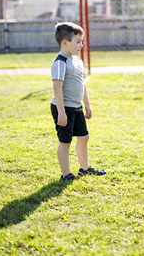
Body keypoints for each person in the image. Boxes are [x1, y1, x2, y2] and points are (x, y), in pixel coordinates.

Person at [50, 22, 106, 180]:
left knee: (84, 136)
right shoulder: (60, 63)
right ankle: (66, 174)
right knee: (65, 141)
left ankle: (84, 168)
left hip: (76, 107)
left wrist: (87, 104)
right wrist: (61, 112)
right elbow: (57, 89)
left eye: (82, 41)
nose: (82, 44)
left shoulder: (78, 61)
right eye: (78, 41)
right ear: (65, 43)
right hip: (63, 108)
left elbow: (82, 84)